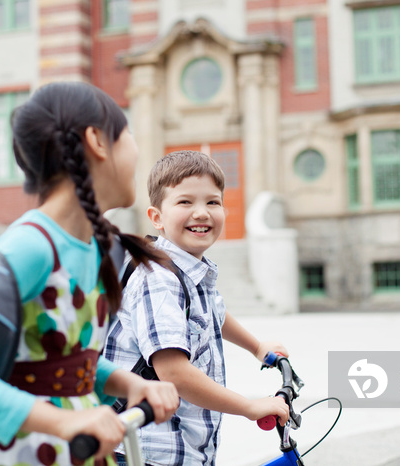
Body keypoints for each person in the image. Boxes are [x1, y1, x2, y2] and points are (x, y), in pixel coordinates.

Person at [0, 82, 179, 466]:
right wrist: (63, 423)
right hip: (14, 454)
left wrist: (127, 382)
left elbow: (62, 358)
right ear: (97, 142)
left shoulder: (96, 246)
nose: (137, 150)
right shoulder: (31, 246)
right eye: (128, 135)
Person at [104, 150, 290, 466]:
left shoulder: (192, 270)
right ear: (156, 217)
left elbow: (214, 313)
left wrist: (256, 347)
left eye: (212, 202)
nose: (201, 212)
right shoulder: (160, 279)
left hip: (181, 445)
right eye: (185, 202)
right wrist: (249, 407)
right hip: (145, 450)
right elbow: (174, 372)